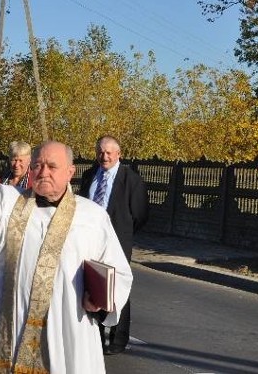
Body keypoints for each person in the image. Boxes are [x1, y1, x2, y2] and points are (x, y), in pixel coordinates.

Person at [0, 140, 133, 374]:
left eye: (52, 166)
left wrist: (99, 303)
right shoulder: (7, 201)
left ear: (70, 172)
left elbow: (118, 272)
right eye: (37, 165)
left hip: (64, 334)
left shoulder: (92, 217)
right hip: (9, 333)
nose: (43, 172)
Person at [78, 135, 149, 355]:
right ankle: (96, 337)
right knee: (93, 285)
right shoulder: (90, 175)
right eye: (100, 151)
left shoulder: (131, 179)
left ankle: (118, 340)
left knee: (118, 287)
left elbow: (140, 214)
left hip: (118, 241)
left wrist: (123, 233)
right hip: (90, 241)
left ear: (118, 154)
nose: (104, 156)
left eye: (109, 152)